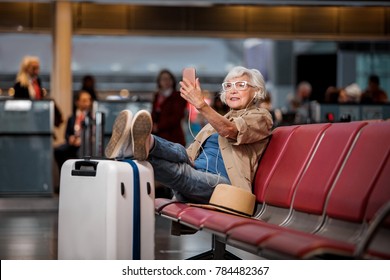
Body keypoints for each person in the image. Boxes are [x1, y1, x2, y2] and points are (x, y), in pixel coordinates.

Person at [104, 66, 273, 204]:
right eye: (228, 86)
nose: (233, 90)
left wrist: (201, 105)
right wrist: (186, 156)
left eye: (241, 85)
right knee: (178, 151)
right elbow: (190, 155)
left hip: (225, 185)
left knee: (180, 169)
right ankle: (140, 144)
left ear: (256, 91)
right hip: (196, 174)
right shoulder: (220, 120)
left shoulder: (261, 117)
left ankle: (130, 148)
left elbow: (230, 131)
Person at [13, 55, 63, 127]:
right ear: (26, 68)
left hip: (38, 117)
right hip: (26, 118)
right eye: (34, 68)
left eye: (37, 68)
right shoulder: (20, 84)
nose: (37, 70)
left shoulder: (37, 82)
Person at [54, 90, 93, 170]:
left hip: (85, 144)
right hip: (72, 144)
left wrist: (82, 139)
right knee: (58, 151)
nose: (87, 103)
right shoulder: (71, 118)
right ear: (77, 102)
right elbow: (66, 134)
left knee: (81, 152)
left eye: (89, 100)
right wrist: (70, 138)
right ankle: (63, 173)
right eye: (84, 100)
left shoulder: (92, 117)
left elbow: (93, 133)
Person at [151, 69, 187, 146]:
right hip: (158, 136)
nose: (166, 81)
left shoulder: (178, 96)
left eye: (168, 79)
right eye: (163, 79)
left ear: (172, 81)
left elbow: (177, 116)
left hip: (173, 137)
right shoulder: (157, 96)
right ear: (159, 81)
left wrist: (158, 126)